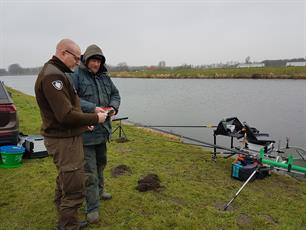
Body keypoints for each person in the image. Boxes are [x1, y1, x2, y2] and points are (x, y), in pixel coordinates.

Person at [35, 38, 108, 230]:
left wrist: (83, 126)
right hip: (63, 141)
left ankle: (67, 220)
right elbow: (65, 115)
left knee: (65, 180)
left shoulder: (58, 73)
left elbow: (68, 109)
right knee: (74, 187)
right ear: (63, 53)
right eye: (76, 58)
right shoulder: (53, 77)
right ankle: (68, 226)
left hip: (67, 135)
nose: (78, 62)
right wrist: (94, 118)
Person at [71, 44, 120, 224]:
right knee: (89, 171)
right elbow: (71, 99)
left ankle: (100, 192)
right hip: (86, 133)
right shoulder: (75, 74)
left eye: (99, 61)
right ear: (86, 60)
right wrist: (92, 109)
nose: (96, 64)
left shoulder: (105, 77)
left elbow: (115, 94)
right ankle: (91, 207)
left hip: (103, 131)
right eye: (93, 60)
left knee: (101, 164)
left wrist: (113, 108)